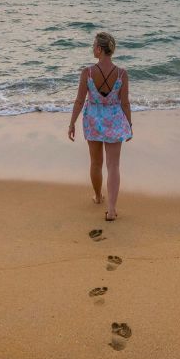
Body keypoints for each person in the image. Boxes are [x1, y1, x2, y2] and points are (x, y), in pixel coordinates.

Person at [68, 31, 132, 221]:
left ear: (99, 49)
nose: (92, 48)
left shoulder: (87, 72)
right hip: (114, 120)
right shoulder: (122, 73)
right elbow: (125, 103)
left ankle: (98, 196)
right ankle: (111, 210)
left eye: (94, 45)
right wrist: (129, 125)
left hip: (93, 120)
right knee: (114, 165)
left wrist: (72, 123)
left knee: (96, 163)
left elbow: (79, 101)